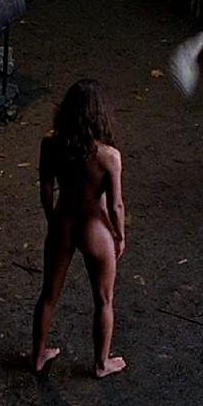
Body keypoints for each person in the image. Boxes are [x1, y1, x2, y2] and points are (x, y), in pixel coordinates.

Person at [31, 79, 127, 378]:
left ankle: (38, 356)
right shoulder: (108, 156)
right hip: (94, 226)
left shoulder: (50, 143)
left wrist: (52, 218)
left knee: (49, 294)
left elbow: (46, 188)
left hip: (63, 221)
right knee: (104, 300)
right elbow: (116, 205)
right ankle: (101, 363)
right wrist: (119, 236)